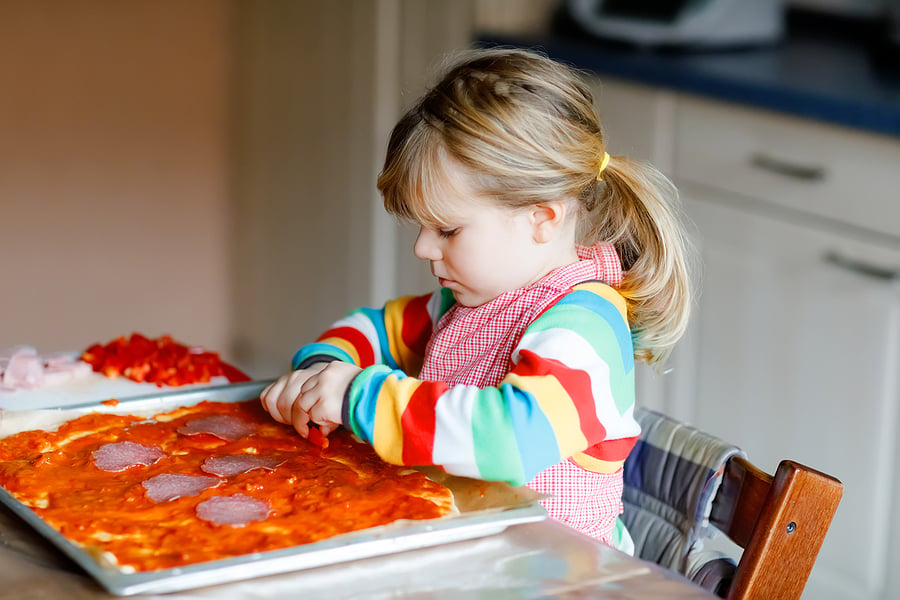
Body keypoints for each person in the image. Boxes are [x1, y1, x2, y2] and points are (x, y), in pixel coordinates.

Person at [260, 47, 693, 553]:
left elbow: (509, 438)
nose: (422, 247)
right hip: (461, 555)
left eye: (446, 228)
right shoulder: (466, 305)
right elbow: (375, 330)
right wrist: (323, 370)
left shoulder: (586, 329)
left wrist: (360, 395)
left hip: (562, 578)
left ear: (543, 218)